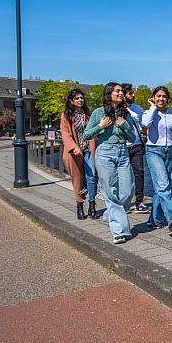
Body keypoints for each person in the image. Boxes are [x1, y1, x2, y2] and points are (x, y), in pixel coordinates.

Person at [83, 83, 136, 244]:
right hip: (105, 152)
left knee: (128, 190)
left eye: (121, 91)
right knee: (110, 191)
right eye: (117, 91)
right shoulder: (99, 112)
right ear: (109, 93)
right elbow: (86, 134)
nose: (121, 94)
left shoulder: (124, 113)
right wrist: (101, 126)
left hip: (123, 152)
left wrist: (124, 125)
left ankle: (109, 215)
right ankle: (119, 231)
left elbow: (133, 138)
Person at [141, 86, 172, 237]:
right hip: (154, 150)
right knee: (162, 185)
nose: (161, 99)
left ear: (168, 99)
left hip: (170, 151)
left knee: (163, 187)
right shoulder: (149, 113)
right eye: (158, 96)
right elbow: (145, 124)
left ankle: (154, 219)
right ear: (153, 98)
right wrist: (152, 107)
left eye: (164, 96)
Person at [60, 88, 98, 220]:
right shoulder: (66, 115)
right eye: (77, 98)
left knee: (91, 176)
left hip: (88, 149)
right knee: (77, 179)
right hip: (75, 152)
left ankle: (92, 206)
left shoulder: (88, 113)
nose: (80, 100)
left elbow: (94, 129)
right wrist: (73, 147)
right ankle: (80, 205)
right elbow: (65, 133)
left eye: (81, 98)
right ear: (71, 100)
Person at [121, 83, 150, 215]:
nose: (133, 95)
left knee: (139, 173)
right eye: (130, 93)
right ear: (124, 95)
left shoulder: (137, 108)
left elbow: (144, 126)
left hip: (137, 145)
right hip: (123, 146)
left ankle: (139, 203)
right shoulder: (117, 109)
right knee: (123, 176)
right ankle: (124, 203)